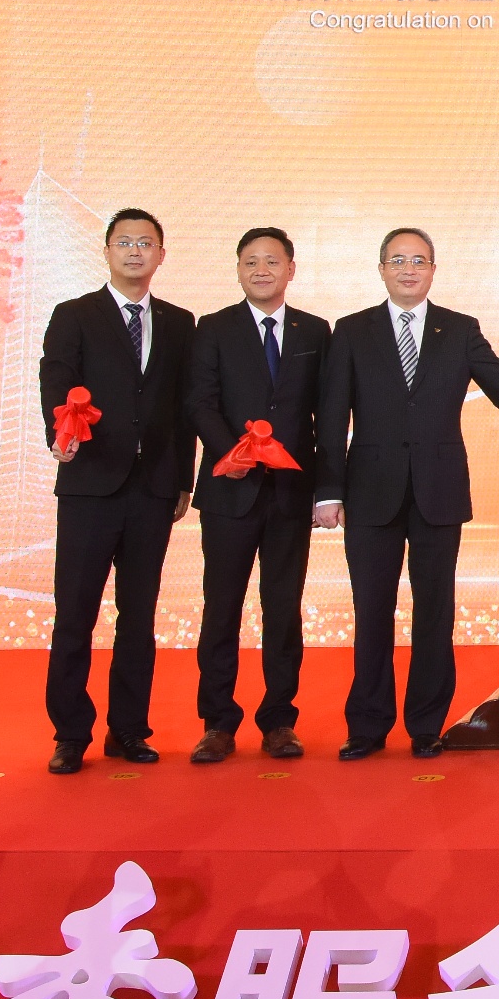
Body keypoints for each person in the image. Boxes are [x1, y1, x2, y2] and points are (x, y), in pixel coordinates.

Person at [313, 228, 499, 759]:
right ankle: (366, 726)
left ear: (434, 270)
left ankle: (426, 725)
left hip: (439, 489)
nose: (408, 270)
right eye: (397, 261)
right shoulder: (352, 330)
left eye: (419, 261)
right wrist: (327, 492)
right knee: (372, 610)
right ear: (381, 269)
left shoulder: (459, 330)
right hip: (370, 491)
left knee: (436, 610)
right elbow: (332, 414)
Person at [37, 209, 197, 776]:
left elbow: (183, 408)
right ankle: (70, 733)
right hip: (90, 486)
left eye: (145, 243)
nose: (135, 251)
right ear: (106, 251)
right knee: (75, 614)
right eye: (124, 242)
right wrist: (60, 433)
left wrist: (183, 479)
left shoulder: (179, 323)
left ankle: (128, 729)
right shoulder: (75, 315)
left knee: (138, 617)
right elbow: (56, 380)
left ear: (161, 254)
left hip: (152, 489)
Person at [184, 226, 326, 763]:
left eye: (271, 260)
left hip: (290, 493)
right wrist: (235, 454)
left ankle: (279, 721)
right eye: (250, 261)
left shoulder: (316, 330)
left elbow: (326, 411)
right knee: (222, 607)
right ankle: (217, 723)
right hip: (230, 492)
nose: (261, 270)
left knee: (283, 610)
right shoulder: (213, 328)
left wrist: (326, 486)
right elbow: (200, 403)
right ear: (238, 270)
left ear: (291, 269)